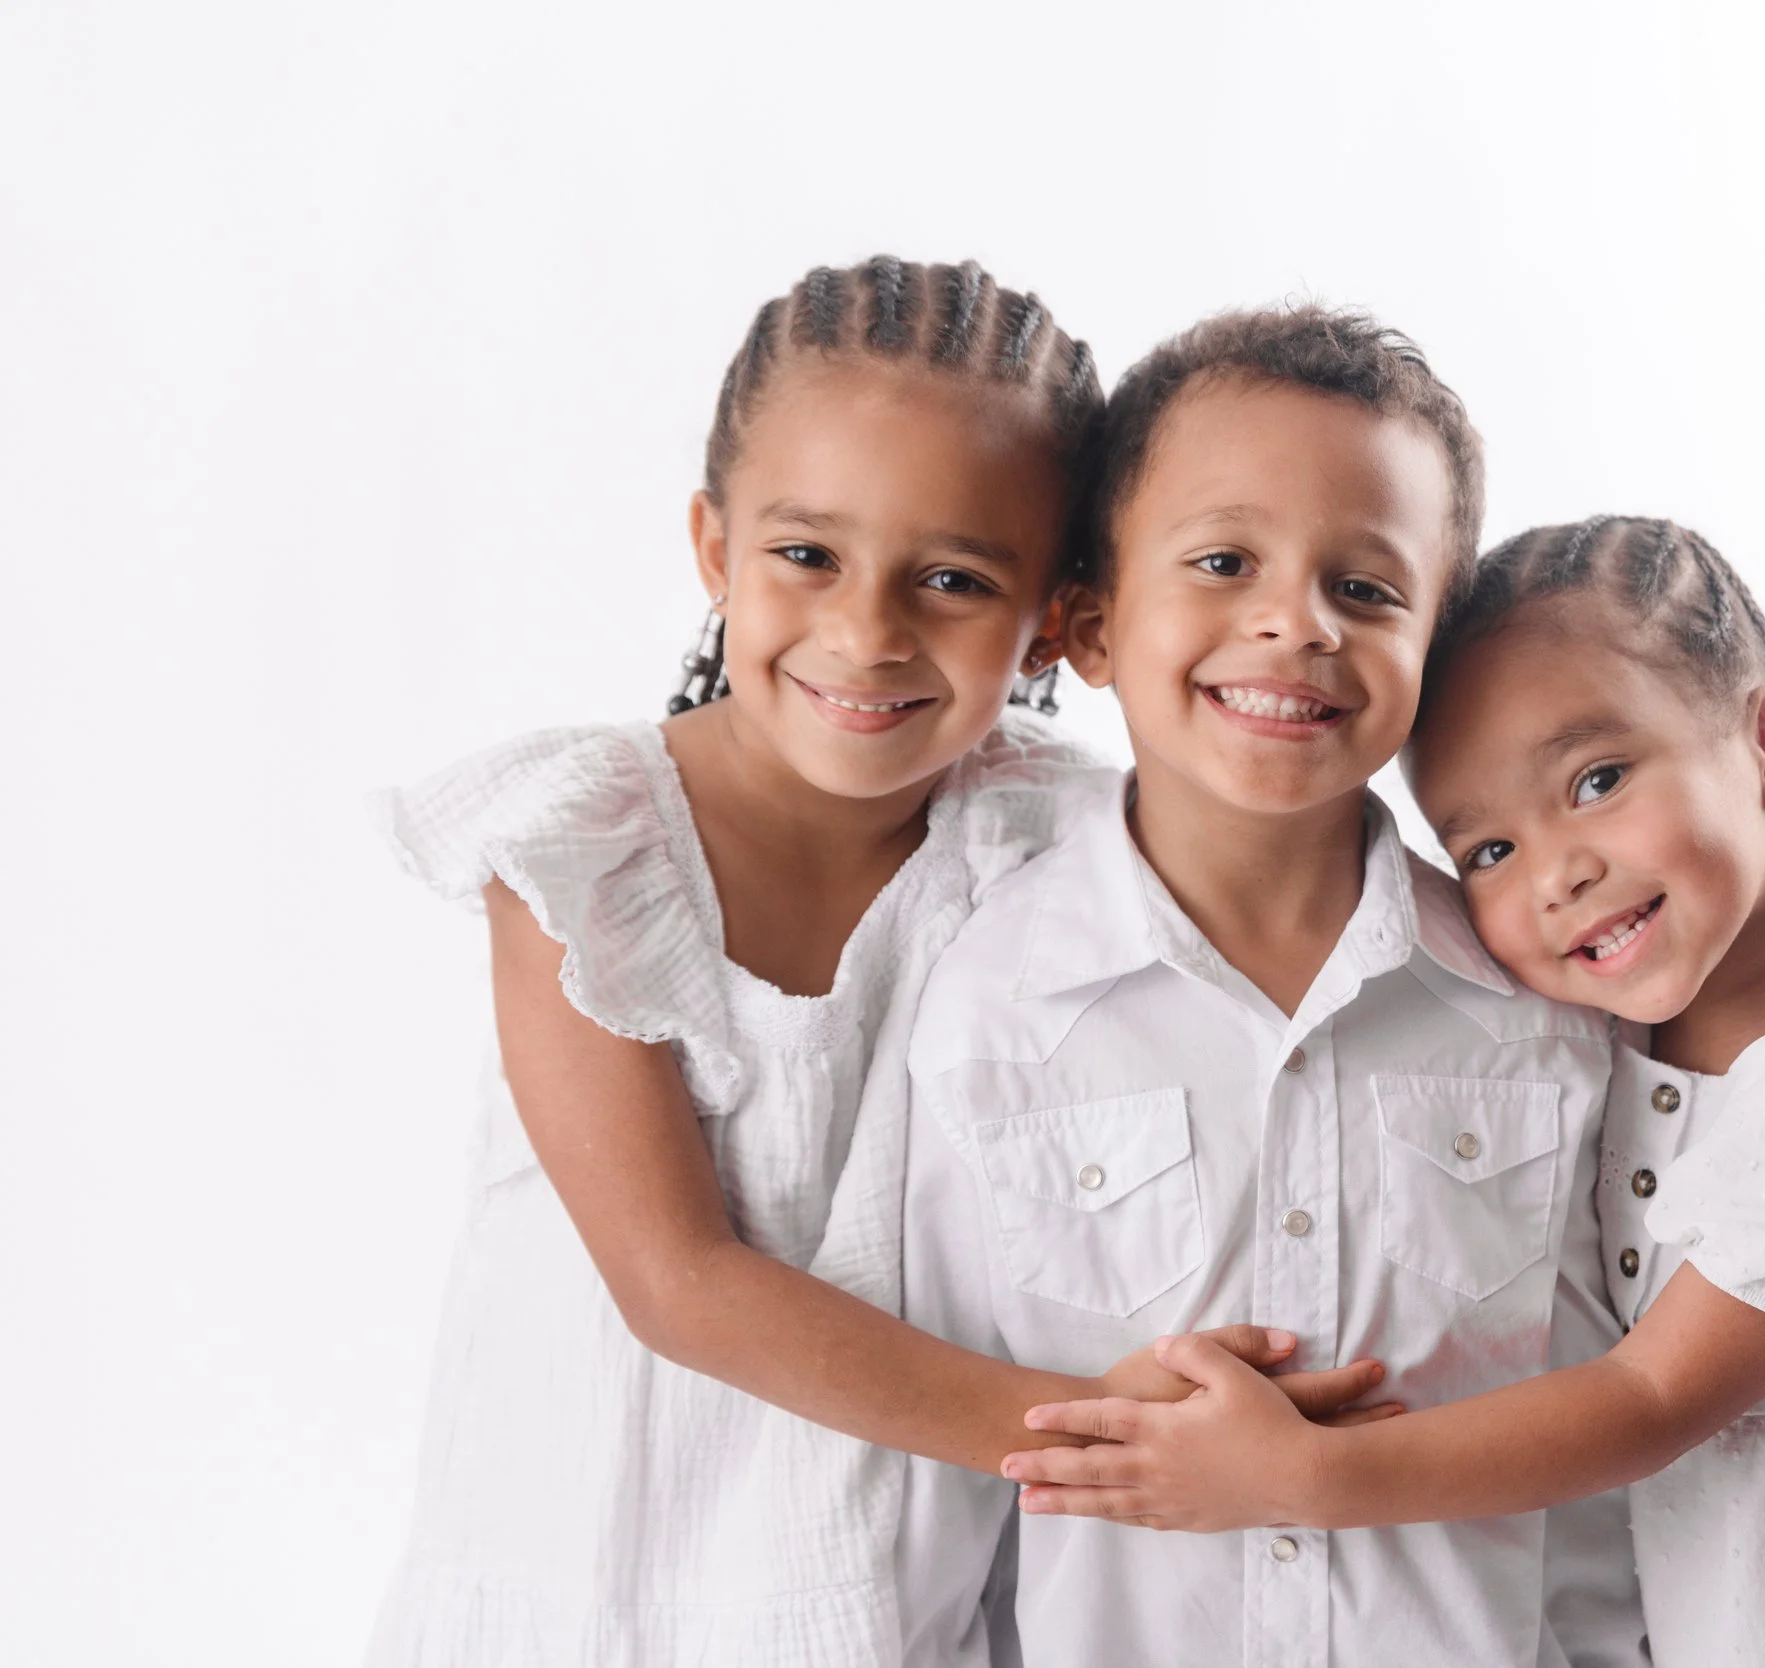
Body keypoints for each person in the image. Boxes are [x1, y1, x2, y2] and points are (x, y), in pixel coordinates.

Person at [365, 258, 1383, 1668]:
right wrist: (1110, 1432)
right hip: (584, 1599)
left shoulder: (1049, 842)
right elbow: (681, 1286)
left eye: (954, 579)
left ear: (1057, 619)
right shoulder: (587, 849)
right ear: (715, 549)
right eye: (806, 557)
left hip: (888, 1612)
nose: (867, 633)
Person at [1006, 515, 1765, 1667]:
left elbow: (1647, 1399)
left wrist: (1302, 1477)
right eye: (1486, 851)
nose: (1557, 875)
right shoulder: (1630, 1016)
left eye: (1597, 780)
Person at [896, 313, 1644, 1667]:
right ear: (1093, 625)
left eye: (1367, 590)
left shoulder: (1538, 1012)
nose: (1295, 621)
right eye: (1226, 560)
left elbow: (1595, 1437)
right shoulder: (991, 1007)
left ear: (1432, 652)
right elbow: (944, 1477)